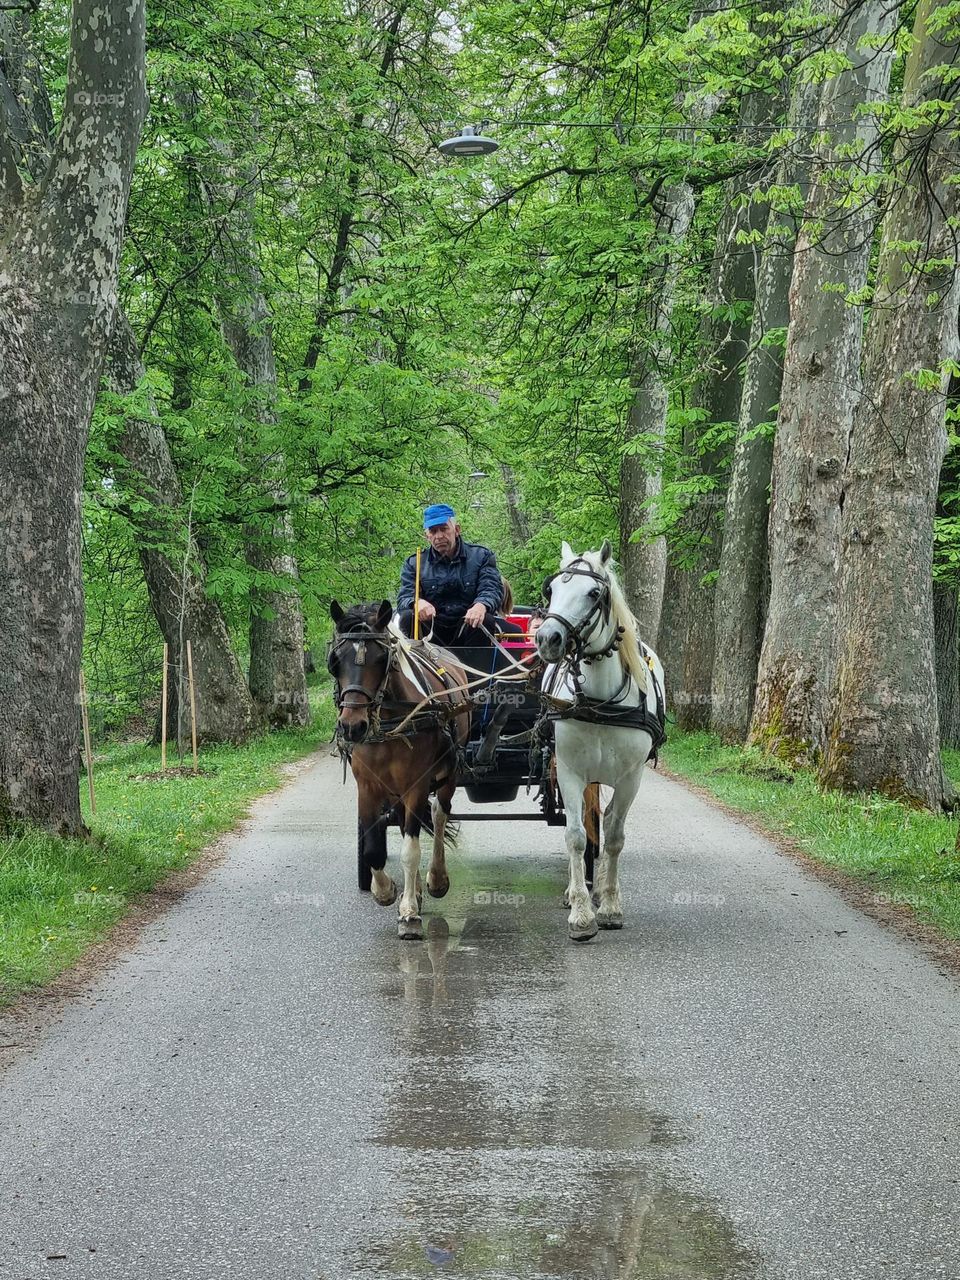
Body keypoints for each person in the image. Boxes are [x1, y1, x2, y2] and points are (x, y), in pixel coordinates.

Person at [398, 504, 503, 647]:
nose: (439, 536)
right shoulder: (414, 563)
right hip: (432, 632)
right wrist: (416, 602)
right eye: (433, 531)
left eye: (444, 529)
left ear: (457, 530)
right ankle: (417, 666)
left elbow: (491, 589)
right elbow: (404, 597)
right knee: (407, 617)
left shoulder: (482, 556)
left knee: (485, 619)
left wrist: (481, 605)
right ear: (426, 536)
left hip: (468, 625)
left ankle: (474, 668)